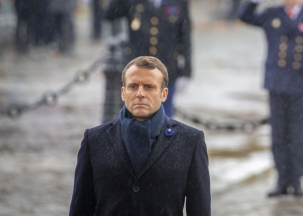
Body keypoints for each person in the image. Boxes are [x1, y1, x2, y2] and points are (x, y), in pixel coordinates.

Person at [69, 56, 210, 215]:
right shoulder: (94, 140)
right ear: (123, 92)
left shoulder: (190, 141)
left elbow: (200, 210)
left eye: (149, 87)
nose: (140, 93)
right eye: (133, 86)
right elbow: (80, 208)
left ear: (164, 94)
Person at [238, 0, 303, 197]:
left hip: (300, 80)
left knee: (297, 133)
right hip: (276, 80)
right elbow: (243, 16)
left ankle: (296, 179)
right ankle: (281, 179)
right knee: (278, 133)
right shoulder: (272, 14)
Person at [104, 0, 192, 117]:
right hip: (137, 72)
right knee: (136, 120)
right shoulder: (135, 0)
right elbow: (109, 15)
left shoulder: (178, 0)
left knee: (164, 122)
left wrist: (186, 72)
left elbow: (185, 38)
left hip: (167, 71)